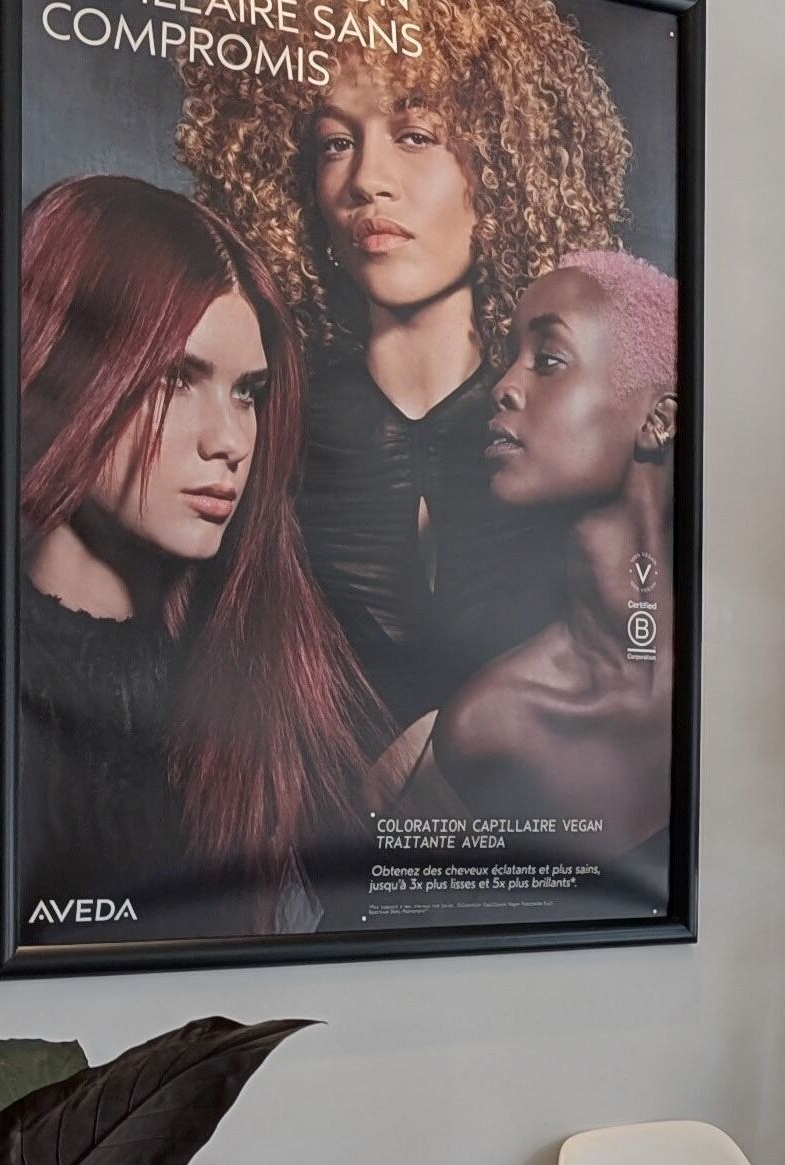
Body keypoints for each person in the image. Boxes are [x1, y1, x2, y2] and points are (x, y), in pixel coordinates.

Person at [177, 5, 632, 734]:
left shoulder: (575, 442)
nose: (366, 181)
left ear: (505, 169)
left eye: (415, 136)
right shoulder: (263, 428)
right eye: (333, 144)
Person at [13, 176, 380, 939]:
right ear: (61, 368)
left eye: (248, 392)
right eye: (178, 380)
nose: (232, 441)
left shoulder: (277, 667)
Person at [376, 252, 677, 877]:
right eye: (510, 356)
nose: (503, 385)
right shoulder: (490, 725)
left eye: (548, 360)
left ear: (658, 420)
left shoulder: (735, 685)